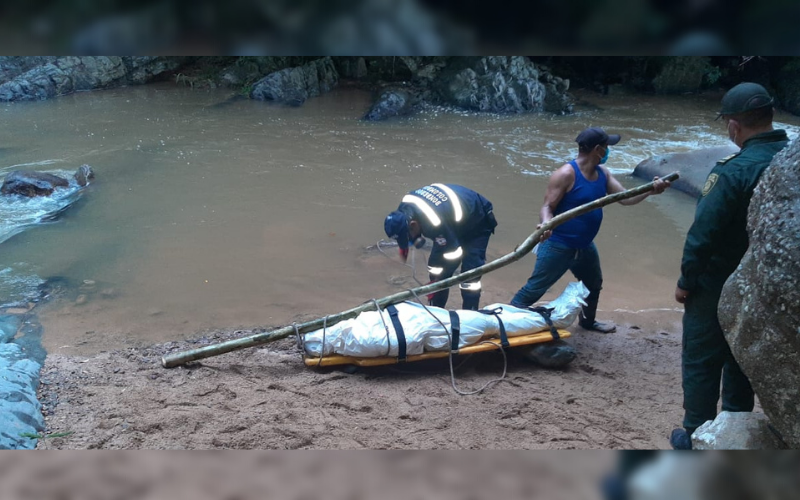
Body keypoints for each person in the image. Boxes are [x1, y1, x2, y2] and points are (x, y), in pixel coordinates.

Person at [670, 82, 789, 450]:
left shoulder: (731, 172)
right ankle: (736, 430)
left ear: (734, 126)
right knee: (745, 354)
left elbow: (702, 235)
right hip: (769, 282)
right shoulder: (789, 159)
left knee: (702, 358)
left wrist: (686, 280)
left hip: (718, 279)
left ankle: (694, 434)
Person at [510, 127, 670, 333]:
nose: (608, 151)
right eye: (607, 147)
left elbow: (627, 198)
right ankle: (505, 321)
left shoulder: (603, 174)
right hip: (558, 245)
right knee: (534, 290)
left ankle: (587, 322)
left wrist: (650, 190)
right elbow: (547, 206)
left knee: (593, 284)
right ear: (598, 150)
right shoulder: (566, 174)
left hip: (585, 245)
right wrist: (545, 225)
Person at [384, 184, 497, 310]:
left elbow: (453, 253)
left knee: (469, 277)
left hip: (477, 219)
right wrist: (436, 279)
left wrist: (439, 281)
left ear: (414, 225)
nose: (411, 242)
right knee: (435, 268)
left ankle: (470, 315)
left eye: (409, 238)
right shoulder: (404, 209)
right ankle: (437, 310)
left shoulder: (434, 223)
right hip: (452, 219)